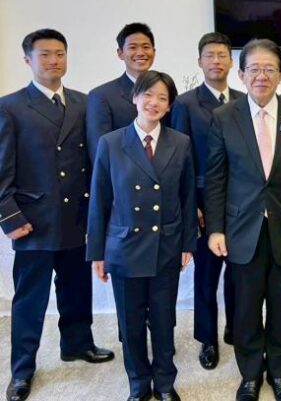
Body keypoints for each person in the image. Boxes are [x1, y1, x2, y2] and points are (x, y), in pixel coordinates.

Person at [204, 39, 281, 401]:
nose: (261, 76)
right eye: (254, 69)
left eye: (269, 68)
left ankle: (280, 373)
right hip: (242, 230)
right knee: (246, 309)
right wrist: (216, 229)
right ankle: (251, 374)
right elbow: (216, 178)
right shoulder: (224, 117)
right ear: (241, 74)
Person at [0, 29, 114, 401]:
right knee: (29, 299)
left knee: (76, 288)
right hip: (33, 220)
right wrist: (10, 217)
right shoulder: (10, 106)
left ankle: (77, 344)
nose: (54, 60)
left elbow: (94, 159)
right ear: (27, 60)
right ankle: (22, 369)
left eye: (60, 53)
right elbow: (2, 169)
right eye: (45, 54)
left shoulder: (84, 102)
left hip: (77, 215)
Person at [87, 70, 196, 401]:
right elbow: (100, 199)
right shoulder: (111, 143)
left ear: (169, 106)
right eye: (148, 94)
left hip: (166, 244)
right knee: (130, 322)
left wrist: (187, 243)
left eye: (162, 98)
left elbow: (188, 197)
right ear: (135, 97)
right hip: (124, 247)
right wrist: (97, 253)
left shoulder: (180, 142)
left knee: (163, 320)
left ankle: (164, 382)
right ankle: (138, 382)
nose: (154, 102)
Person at [170, 32, 243, 369]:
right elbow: (180, 160)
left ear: (231, 60)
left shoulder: (244, 99)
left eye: (222, 55)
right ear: (200, 61)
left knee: (238, 273)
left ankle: (235, 327)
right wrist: (191, 205)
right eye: (210, 55)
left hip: (240, 204)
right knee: (206, 278)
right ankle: (207, 339)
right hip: (202, 205)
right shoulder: (185, 104)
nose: (216, 61)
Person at [86, 22, 156, 162]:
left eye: (146, 47)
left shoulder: (164, 94)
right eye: (133, 47)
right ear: (120, 53)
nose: (140, 53)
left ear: (154, 51)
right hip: (122, 174)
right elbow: (99, 153)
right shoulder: (101, 96)